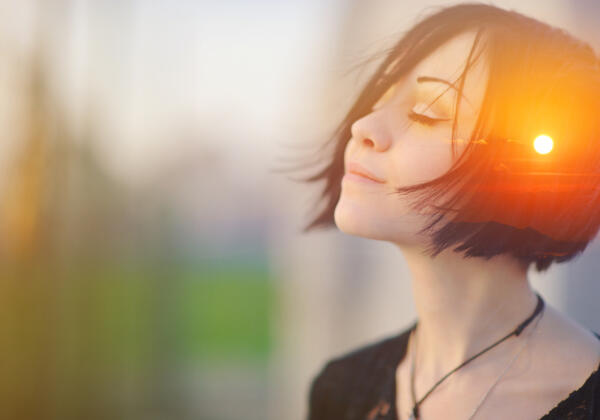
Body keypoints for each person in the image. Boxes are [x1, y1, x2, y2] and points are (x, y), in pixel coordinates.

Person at [298, 3, 600, 420]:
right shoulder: (341, 389)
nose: (364, 127)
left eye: (425, 112)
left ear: (521, 169)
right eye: (382, 96)